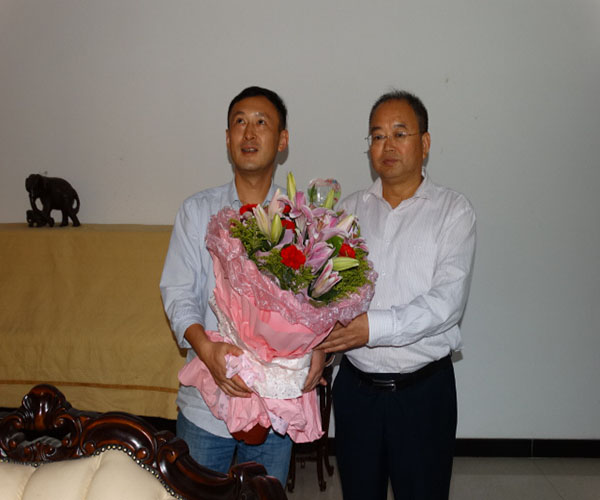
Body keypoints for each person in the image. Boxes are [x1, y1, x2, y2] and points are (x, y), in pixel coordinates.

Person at [160, 86, 325, 485]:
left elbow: (321, 302)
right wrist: (207, 350)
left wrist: (320, 350)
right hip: (208, 404)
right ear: (227, 138)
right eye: (239, 122)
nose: (249, 133)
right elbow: (177, 292)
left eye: (261, 123)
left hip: (276, 405)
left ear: (282, 141)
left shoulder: (303, 220)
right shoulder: (197, 211)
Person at [317, 90, 476, 499]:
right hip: (356, 393)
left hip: (423, 394)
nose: (387, 145)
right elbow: (326, 294)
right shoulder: (347, 212)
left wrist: (371, 328)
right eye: (377, 136)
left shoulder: (453, 211)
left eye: (399, 133)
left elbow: (446, 303)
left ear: (425, 143)